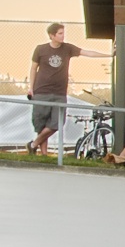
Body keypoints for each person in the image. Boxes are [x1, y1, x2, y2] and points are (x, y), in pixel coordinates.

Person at [26, 22, 112, 155]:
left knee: (56, 124)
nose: (62, 36)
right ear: (52, 35)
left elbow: (87, 52)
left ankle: (33, 144)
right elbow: (33, 68)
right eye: (60, 33)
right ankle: (42, 155)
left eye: (63, 33)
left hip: (59, 93)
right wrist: (30, 88)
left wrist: (109, 55)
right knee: (41, 125)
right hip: (41, 91)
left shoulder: (68, 48)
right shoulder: (40, 49)